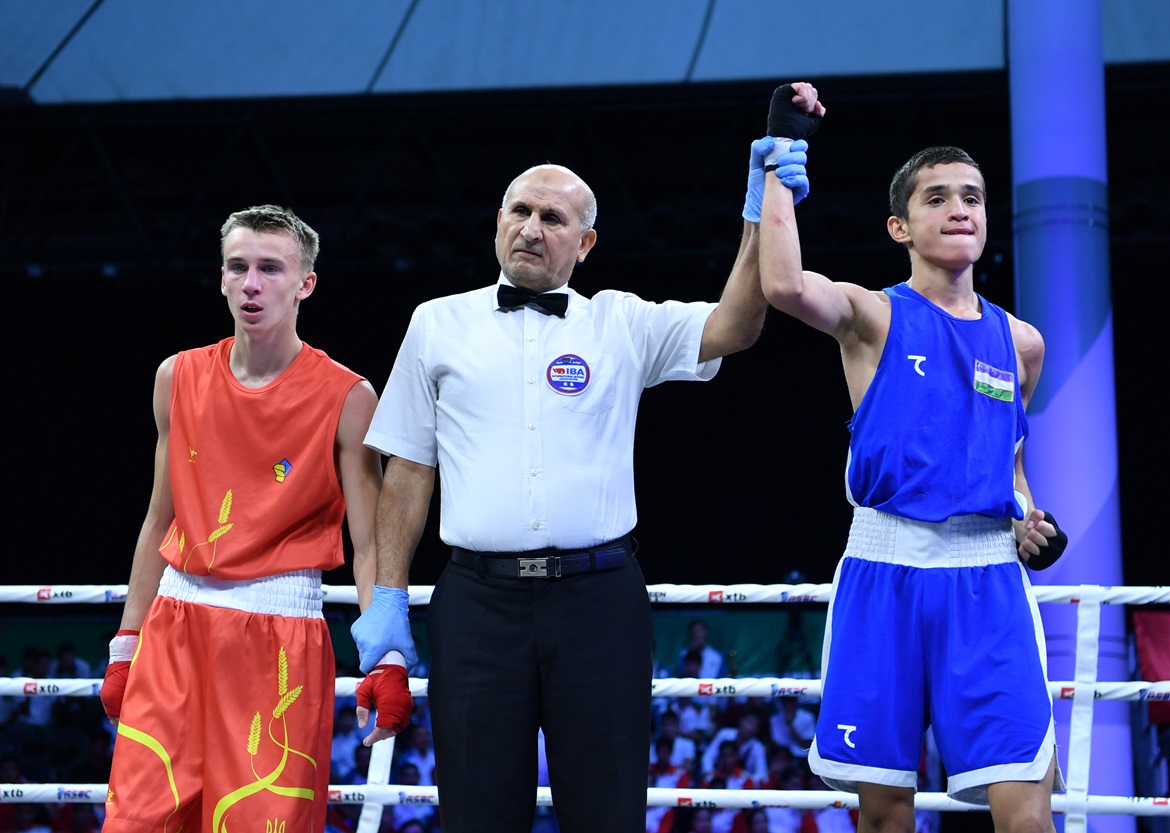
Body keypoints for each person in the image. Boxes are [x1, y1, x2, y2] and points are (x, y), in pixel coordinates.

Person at [350, 85, 821, 833]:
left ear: (586, 241)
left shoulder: (621, 322)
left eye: (553, 217)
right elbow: (408, 470)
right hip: (476, 603)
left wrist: (759, 205)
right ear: (497, 222)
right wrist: (387, 599)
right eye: (519, 212)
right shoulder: (435, 323)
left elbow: (736, 324)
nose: (531, 228)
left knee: (606, 814)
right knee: (476, 815)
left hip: (599, 601)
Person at [757, 83, 1070, 833]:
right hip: (885, 570)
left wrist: (1035, 524)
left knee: (1028, 803)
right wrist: (777, 159)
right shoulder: (872, 314)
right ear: (899, 225)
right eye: (937, 198)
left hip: (989, 578)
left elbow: (1014, 468)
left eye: (973, 196)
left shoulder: (1021, 343)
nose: (960, 207)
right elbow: (783, 284)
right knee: (886, 813)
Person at [98, 205, 385, 832]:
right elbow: (158, 520)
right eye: (238, 267)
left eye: (270, 268)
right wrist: (127, 641)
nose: (252, 283)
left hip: (277, 639)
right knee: (139, 822)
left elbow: (370, 543)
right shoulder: (177, 377)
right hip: (174, 630)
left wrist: (384, 654)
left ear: (304, 283)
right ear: (222, 278)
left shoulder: (347, 397)